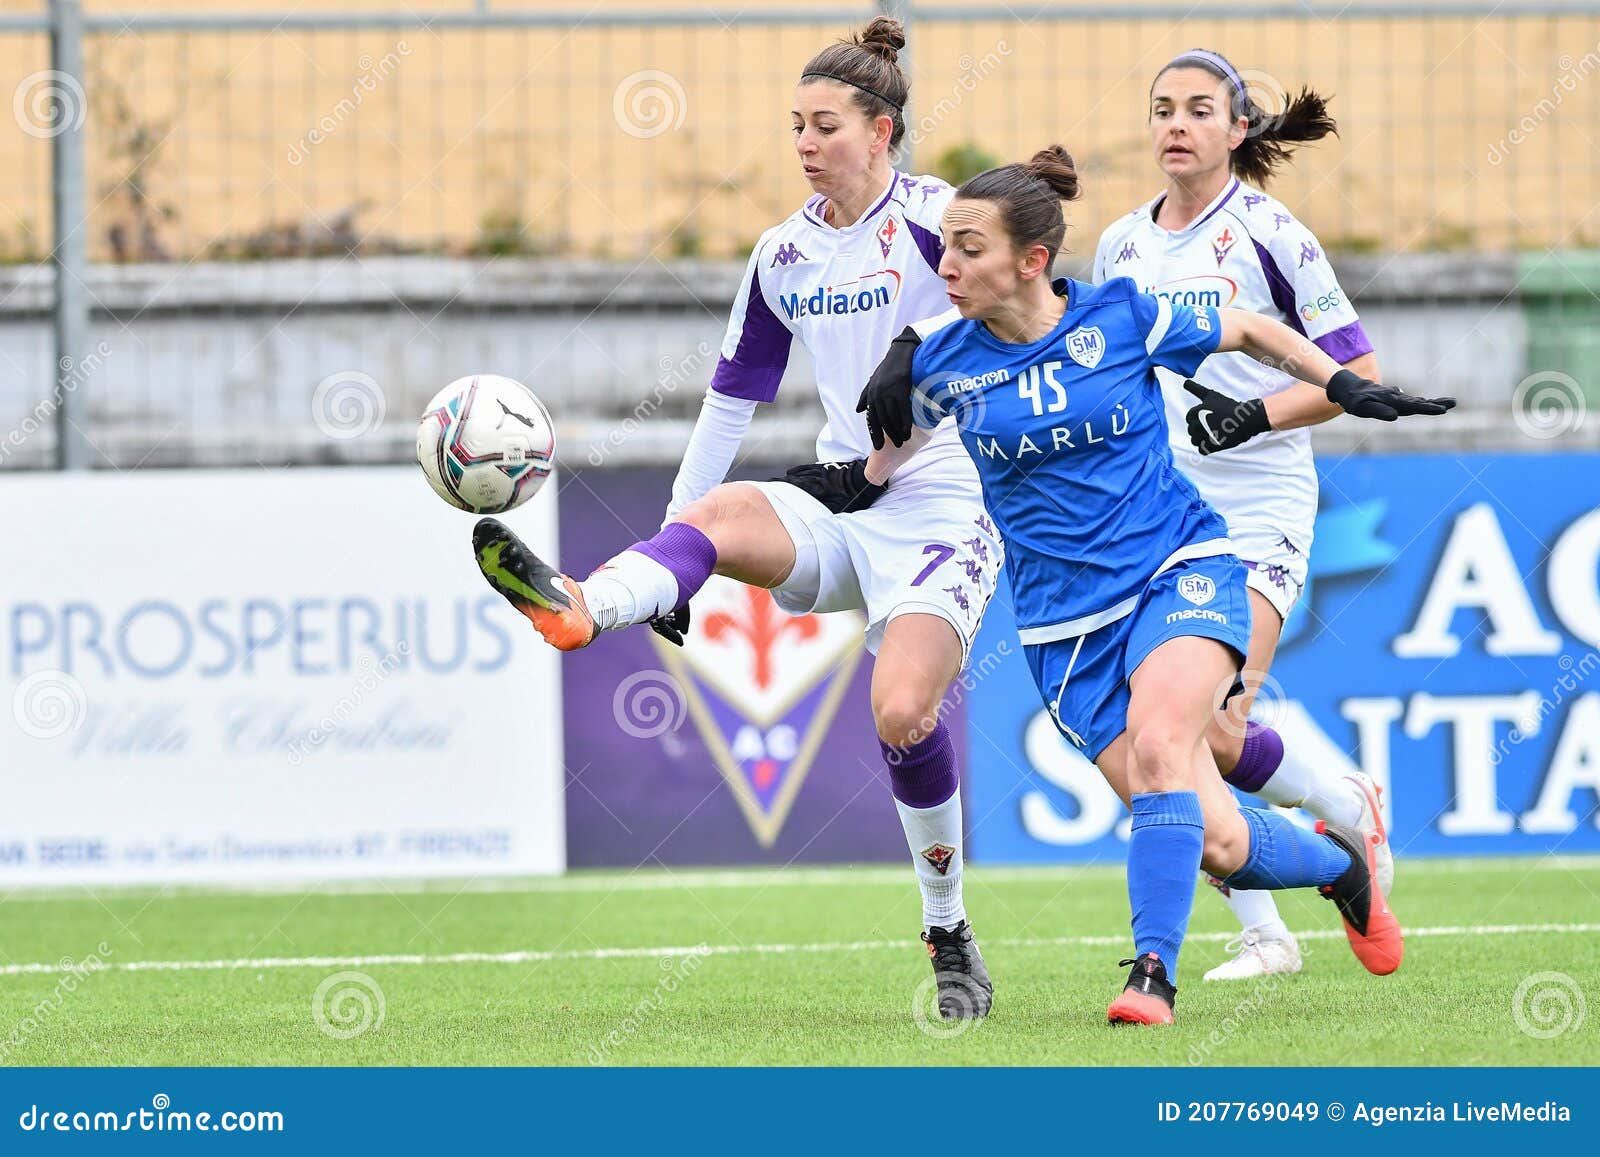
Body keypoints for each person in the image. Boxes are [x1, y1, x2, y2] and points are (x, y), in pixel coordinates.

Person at [470, 18, 1003, 1019]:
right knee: (713, 516)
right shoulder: (783, 253)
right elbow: (730, 401)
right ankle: (595, 604)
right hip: (845, 501)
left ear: (881, 130)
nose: (804, 143)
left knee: (900, 713)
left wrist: (923, 341)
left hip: (949, 506)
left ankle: (946, 926)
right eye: (795, 125)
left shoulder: (940, 215)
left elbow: (1025, 295)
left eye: (825, 125)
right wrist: (679, 552)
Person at [857, 147, 1452, 1024]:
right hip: (1064, 631)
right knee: (1213, 837)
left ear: (1032, 261)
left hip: (1177, 570)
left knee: (1168, 741)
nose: (944, 264)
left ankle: (1151, 975)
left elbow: (1249, 328)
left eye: (966, 248)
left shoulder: (1121, 317)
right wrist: (833, 473)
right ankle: (1340, 865)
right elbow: (877, 471)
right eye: (943, 246)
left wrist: (1340, 382)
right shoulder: (942, 367)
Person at [1093, 49, 1398, 981]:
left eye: (1197, 109)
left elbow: (1359, 377)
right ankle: (1267, 932)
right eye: (1161, 109)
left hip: (1260, 499)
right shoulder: (1118, 245)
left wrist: (1252, 413)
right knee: (1175, 736)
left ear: (1237, 129)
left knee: (1211, 724)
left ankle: (1345, 804)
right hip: (1160, 510)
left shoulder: (1272, 233)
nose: (1174, 125)